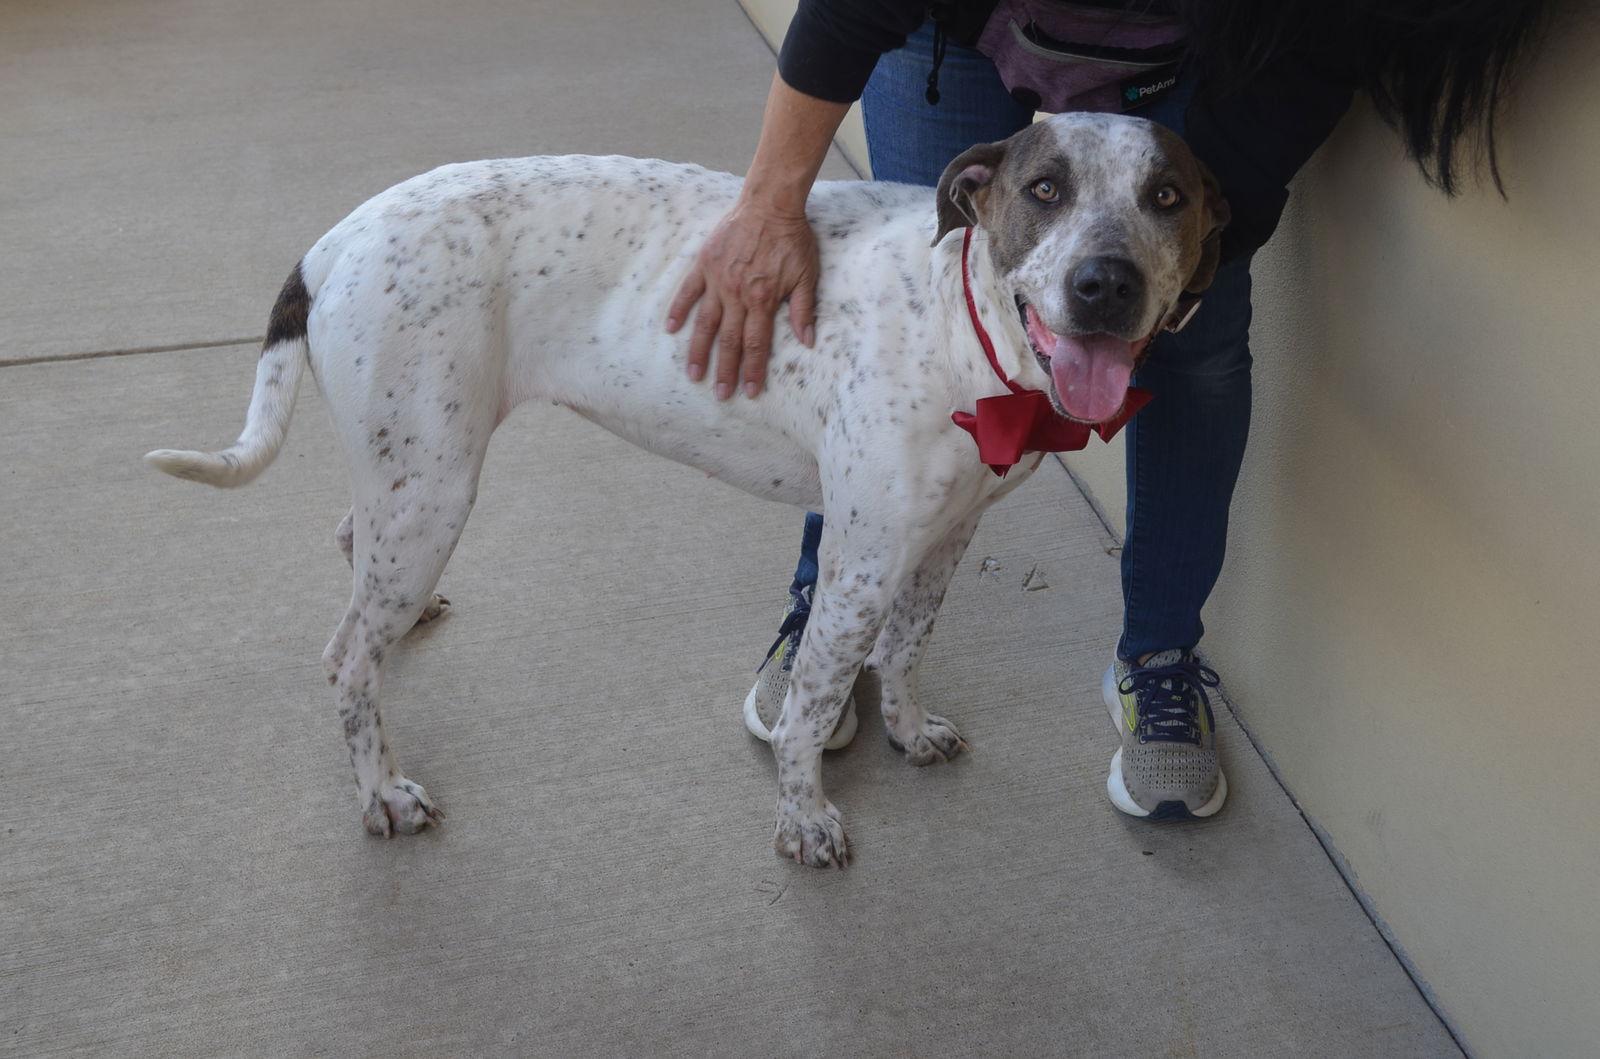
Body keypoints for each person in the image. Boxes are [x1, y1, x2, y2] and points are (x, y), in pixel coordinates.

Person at [664, 0, 1549, 820]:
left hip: (1224, 45)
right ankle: (826, 609)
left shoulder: (1321, 22)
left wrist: (1164, 287)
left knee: (1196, 352)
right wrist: (768, 204)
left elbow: (1300, 81)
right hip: (953, 28)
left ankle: (1158, 657)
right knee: (911, 358)